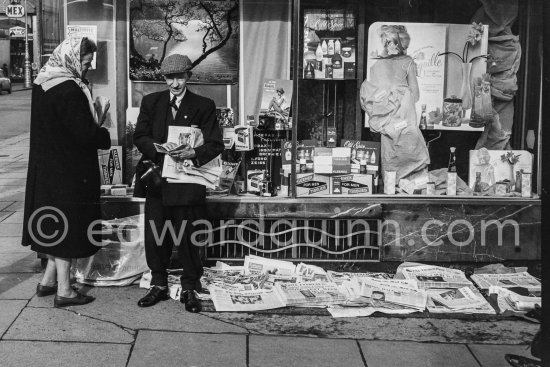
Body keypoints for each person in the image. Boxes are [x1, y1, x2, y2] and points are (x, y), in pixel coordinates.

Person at [22, 37, 111, 307]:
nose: (86, 69)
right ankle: (65, 291)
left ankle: (47, 282)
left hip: (47, 168)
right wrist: (101, 126)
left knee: (54, 225)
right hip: (69, 172)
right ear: (72, 58)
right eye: (84, 63)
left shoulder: (43, 82)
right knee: (66, 229)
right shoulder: (70, 89)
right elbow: (84, 135)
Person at [133, 53, 223, 312]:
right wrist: (158, 148)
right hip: (158, 179)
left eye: (179, 77)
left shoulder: (203, 105)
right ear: (163, 78)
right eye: (169, 78)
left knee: (187, 236)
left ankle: (190, 286)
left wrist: (194, 152)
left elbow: (215, 143)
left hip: (187, 181)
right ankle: (158, 283)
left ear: (188, 76)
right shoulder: (151, 102)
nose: (175, 83)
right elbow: (140, 136)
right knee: (156, 234)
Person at [360, 25, 429, 181]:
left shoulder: (376, 65)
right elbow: (416, 95)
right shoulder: (408, 62)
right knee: (412, 157)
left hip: (386, 121)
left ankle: (392, 187)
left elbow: (369, 97)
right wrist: (402, 93)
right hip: (404, 117)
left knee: (391, 157)